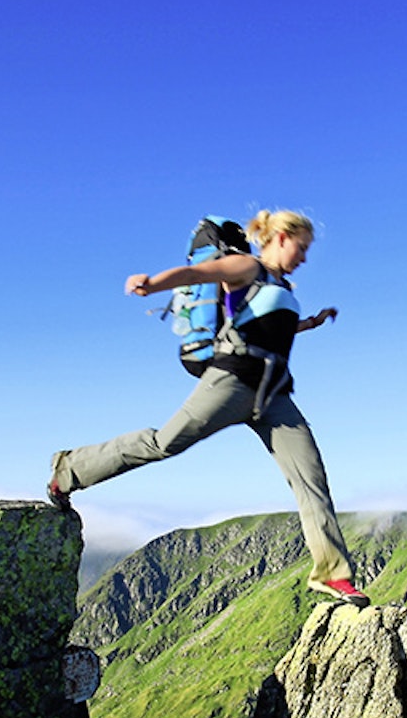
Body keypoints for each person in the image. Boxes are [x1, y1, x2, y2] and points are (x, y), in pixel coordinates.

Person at [47, 209, 371, 607]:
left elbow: (270, 326)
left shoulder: (281, 285)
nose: (304, 257)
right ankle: (70, 470)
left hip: (274, 396)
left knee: (311, 479)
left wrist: (311, 323)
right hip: (230, 382)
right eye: (301, 248)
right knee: (163, 443)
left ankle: (332, 575)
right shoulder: (246, 265)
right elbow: (194, 276)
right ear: (281, 238)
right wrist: (151, 284)